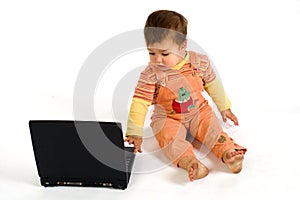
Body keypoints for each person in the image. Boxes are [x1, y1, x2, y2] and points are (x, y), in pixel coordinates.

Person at [124, 10, 247, 181]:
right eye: (152, 53)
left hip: (198, 111)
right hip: (168, 117)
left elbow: (213, 84)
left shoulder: (199, 63)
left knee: (212, 129)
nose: (157, 59)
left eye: (164, 54)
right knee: (168, 137)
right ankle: (190, 163)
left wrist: (225, 107)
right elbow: (140, 102)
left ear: (183, 47)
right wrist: (135, 132)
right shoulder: (151, 74)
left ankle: (228, 153)